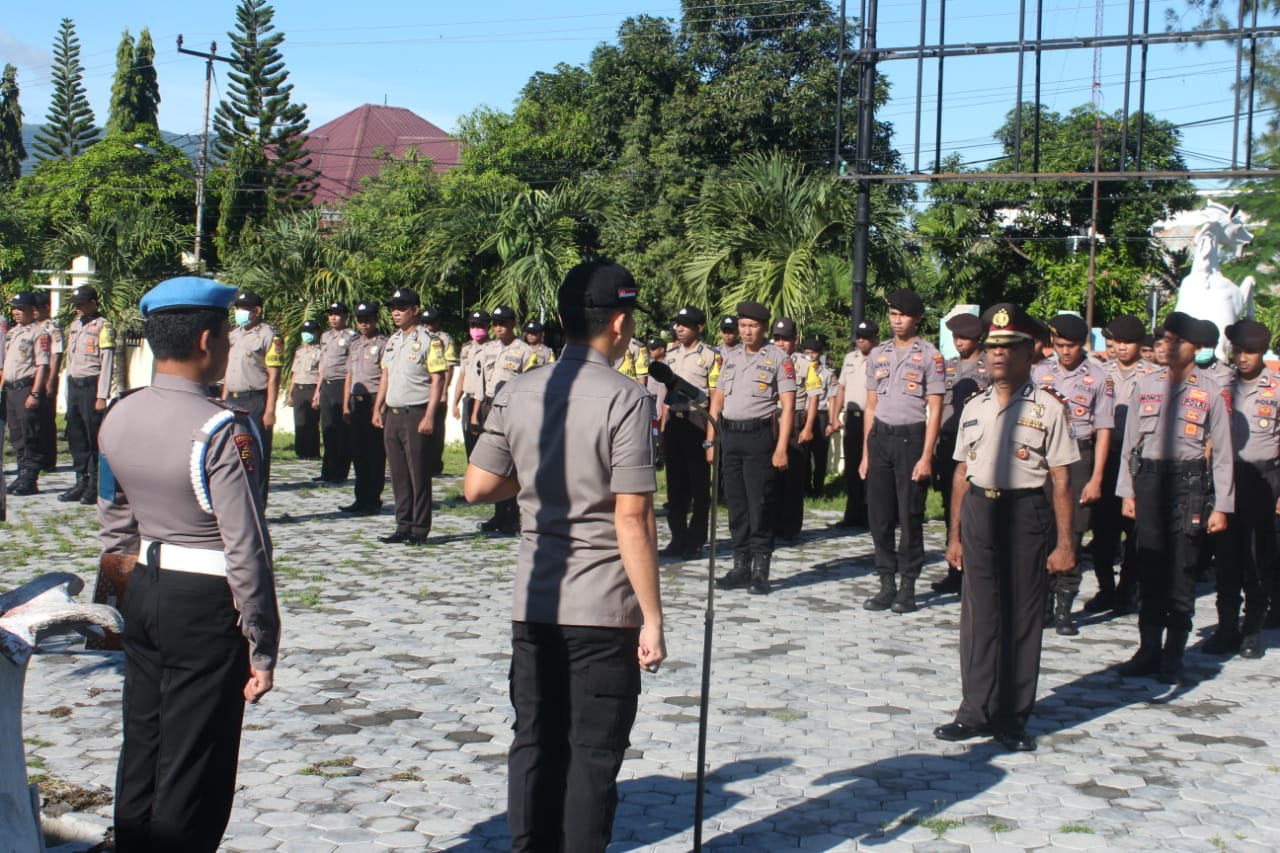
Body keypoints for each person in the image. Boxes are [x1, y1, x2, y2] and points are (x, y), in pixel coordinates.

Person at [463, 259, 666, 853]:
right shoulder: (627, 398)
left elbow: (477, 485)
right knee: (593, 753)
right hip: (602, 606)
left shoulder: (518, 388)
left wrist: (531, 481)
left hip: (534, 601)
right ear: (621, 324)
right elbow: (632, 516)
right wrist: (652, 618)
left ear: (561, 319)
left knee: (534, 740)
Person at [97, 275, 279, 852]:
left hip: (142, 588)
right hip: (204, 601)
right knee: (195, 761)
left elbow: (115, 523)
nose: (229, 343)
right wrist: (262, 640)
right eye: (226, 332)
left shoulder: (118, 416)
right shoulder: (224, 428)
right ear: (207, 338)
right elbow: (245, 544)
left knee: (144, 742)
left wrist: (115, 603)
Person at [934, 303, 1078, 753]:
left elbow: (1061, 479)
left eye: (1007, 347)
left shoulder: (1048, 409)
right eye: (992, 348)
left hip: (1025, 514)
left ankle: (1012, 717)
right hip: (980, 511)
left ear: (1026, 353)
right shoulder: (974, 406)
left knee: (1021, 617)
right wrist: (954, 535)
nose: (996, 356)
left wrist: (1066, 544)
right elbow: (960, 473)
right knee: (978, 617)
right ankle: (973, 710)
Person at [1115, 312, 1234, 684]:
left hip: (1189, 484)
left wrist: (1223, 507)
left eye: (1175, 341)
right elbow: (1130, 442)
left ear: (1194, 347)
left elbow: (1225, 454)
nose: (1167, 346)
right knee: (1149, 565)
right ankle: (1148, 648)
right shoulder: (1146, 385)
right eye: (1164, 339)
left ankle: (1173, 655)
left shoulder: (1211, 391)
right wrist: (1126, 492)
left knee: (1181, 569)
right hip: (1148, 480)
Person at [859, 289, 945, 614]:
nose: (897, 321)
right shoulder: (878, 354)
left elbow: (935, 409)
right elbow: (870, 406)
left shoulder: (930, 356)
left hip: (911, 441)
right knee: (879, 516)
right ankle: (886, 583)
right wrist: (866, 453)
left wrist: (927, 456)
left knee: (909, 516)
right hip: (880, 439)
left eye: (903, 315)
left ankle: (908, 587)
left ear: (917, 318)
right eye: (893, 315)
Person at [1036, 313, 1115, 635]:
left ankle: (1065, 606)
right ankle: (1042, 605)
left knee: (1072, 533)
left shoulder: (1098, 377)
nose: (1064, 352)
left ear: (1082, 344)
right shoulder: (1039, 372)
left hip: (1078, 457)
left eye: (1070, 346)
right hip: (1041, 458)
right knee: (1041, 532)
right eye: (1058, 345)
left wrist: (1097, 477)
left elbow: (1104, 430)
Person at [711, 301, 796, 595]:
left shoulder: (777, 358)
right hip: (730, 436)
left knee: (759, 502)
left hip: (759, 437)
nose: (747, 331)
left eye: (753, 326)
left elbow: (788, 405)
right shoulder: (730, 357)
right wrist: (711, 440)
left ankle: (761, 570)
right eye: (743, 325)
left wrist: (782, 446)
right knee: (736, 503)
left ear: (764, 327)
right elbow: (717, 400)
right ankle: (740, 565)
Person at [1209, 319, 1279, 659]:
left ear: (1262, 352)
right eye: (1238, 351)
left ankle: (1252, 630)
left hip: (1263, 480)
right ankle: (1225, 628)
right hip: (1225, 477)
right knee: (1226, 558)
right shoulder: (1220, 383)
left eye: (1250, 352)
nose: (1244, 358)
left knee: (1257, 558)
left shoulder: (1277, 386)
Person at [1088, 315, 1153, 614]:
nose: (1122, 348)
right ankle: (1106, 589)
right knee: (1103, 531)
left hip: (1140, 462)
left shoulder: (1153, 375)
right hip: (1108, 456)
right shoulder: (1101, 373)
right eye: (1118, 342)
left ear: (1140, 344)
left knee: (1136, 532)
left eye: (1129, 342)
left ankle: (1130, 588)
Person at [372, 289, 447, 545]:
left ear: (415, 309)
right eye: (393, 307)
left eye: (401, 307)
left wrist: (430, 416)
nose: (395, 312)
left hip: (416, 413)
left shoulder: (429, 340)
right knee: (398, 474)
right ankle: (402, 525)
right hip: (392, 414)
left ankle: (419, 528)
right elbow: (385, 376)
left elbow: (438, 379)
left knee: (418, 474)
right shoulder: (392, 341)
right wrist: (377, 407)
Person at [661, 306, 716, 559]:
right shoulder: (670, 354)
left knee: (698, 485)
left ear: (699, 328)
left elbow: (716, 397)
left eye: (685, 324)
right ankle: (677, 538)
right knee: (675, 485)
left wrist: (711, 436)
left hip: (697, 421)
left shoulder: (711, 357)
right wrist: (663, 427)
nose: (679, 328)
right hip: (675, 420)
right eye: (677, 324)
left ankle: (695, 541)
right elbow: (665, 396)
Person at [475, 306, 535, 534]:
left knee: (511, 466)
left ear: (512, 325)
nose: (498, 328)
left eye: (503, 323)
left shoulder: (525, 351)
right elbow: (483, 382)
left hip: (514, 408)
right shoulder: (488, 348)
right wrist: (476, 412)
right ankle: (499, 515)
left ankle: (512, 518)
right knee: (494, 463)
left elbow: (531, 384)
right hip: (490, 405)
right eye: (495, 324)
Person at [223, 291, 283, 503]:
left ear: (256, 311)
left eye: (244, 309)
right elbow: (228, 371)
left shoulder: (269, 335)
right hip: (232, 399)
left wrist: (270, 410)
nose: (238, 313)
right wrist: (223, 400)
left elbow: (274, 375)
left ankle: (257, 504)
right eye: (237, 308)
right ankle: (237, 502)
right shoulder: (234, 334)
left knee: (255, 454)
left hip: (255, 400)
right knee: (232, 452)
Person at [60, 285, 116, 504]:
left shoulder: (104, 326)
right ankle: (81, 480)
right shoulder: (75, 326)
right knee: (76, 437)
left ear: (94, 302)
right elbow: (71, 360)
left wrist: (102, 395)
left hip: (91, 387)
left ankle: (94, 483)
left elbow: (107, 362)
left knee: (93, 437)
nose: (78, 308)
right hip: (74, 386)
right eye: (76, 305)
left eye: (82, 304)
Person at [772, 318, 820, 540]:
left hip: (796, 421)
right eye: (777, 338)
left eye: (786, 339)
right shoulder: (768, 359)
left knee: (793, 476)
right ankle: (773, 523)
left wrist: (808, 426)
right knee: (772, 477)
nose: (781, 343)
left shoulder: (806, 364)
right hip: (772, 419)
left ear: (795, 340)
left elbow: (813, 397)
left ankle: (790, 528)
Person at [340, 301, 387, 515]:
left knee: (374, 453)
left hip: (374, 399)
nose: (364, 324)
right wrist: (346, 405)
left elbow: (387, 376)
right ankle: (360, 498)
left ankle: (373, 499)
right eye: (360, 320)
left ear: (376, 320)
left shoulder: (383, 343)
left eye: (368, 320)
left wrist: (380, 407)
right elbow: (349, 374)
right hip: (357, 401)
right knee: (358, 452)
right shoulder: (355, 343)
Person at [829, 320, 877, 528]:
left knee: (870, 467)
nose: (860, 340)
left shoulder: (881, 358)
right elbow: (841, 389)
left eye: (865, 337)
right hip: (852, 417)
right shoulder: (850, 358)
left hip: (873, 417)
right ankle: (852, 513)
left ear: (875, 338)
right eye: (858, 336)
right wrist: (834, 416)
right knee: (851, 467)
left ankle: (869, 513)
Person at [3, 293, 51, 495]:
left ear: (33, 310)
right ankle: (22, 472)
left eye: (20, 308)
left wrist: (35, 393)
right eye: (14, 308)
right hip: (11, 389)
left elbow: (42, 365)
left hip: (26, 388)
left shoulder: (39, 333)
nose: (16, 312)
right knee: (16, 434)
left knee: (30, 433)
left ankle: (31, 477)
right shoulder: (14, 332)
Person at [315, 302, 356, 484]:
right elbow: (322, 364)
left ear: (346, 316)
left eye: (337, 314)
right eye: (331, 314)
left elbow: (352, 366)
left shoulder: (351, 337)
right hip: (327, 385)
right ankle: (327, 471)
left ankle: (340, 472)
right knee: (328, 429)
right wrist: (318, 390)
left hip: (342, 384)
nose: (333, 317)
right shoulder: (325, 336)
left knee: (342, 431)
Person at [421, 306, 458, 475]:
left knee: (436, 429)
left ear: (437, 322)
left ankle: (435, 464)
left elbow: (449, 368)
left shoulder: (445, 339)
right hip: (421, 390)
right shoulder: (420, 338)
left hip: (438, 389)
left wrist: (444, 391)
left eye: (431, 322)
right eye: (425, 322)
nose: (427, 326)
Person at [32, 291, 63, 472]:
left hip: (47, 377)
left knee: (46, 420)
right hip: (36, 377)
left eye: (37, 308)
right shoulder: (34, 327)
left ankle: (49, 460)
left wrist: (50, 381)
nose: (34, 312)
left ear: (46, 308)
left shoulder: (53, 327)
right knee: (36, 420)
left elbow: (56, 354)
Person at [453, 310, 490, 459]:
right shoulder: (466, 348)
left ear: (488, 326)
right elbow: (462, 376)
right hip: (469, 399)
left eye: (480, 325)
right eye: (473, 325)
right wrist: (454, 403)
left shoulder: (494, 348)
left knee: (485, 443)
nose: (476, 329)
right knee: (469, 442)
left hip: (486, 401)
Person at [804, 338, 835, 498]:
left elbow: (831, 398)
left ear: (819, 354)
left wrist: (831, 421)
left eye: (813, 353)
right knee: (804, 454)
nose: (810, 356)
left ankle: (818, 490)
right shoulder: (799, 370)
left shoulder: (828, 374)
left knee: (820, 454)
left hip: (821, 416)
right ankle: (805, 488)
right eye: (807, 352)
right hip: (803, 415)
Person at [287, 319, 322, 459]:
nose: (307, 334)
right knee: (299, 422)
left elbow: (321, 374)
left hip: (311, 388)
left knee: (312, 422)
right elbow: (294, 373)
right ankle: (300, 452)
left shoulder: (320, 351)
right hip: (299, 389)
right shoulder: (299, 351)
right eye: (305, 332)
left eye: (310, 332)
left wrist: (317, 393)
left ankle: (313, 452)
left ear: (316, 333)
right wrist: (290, 394)